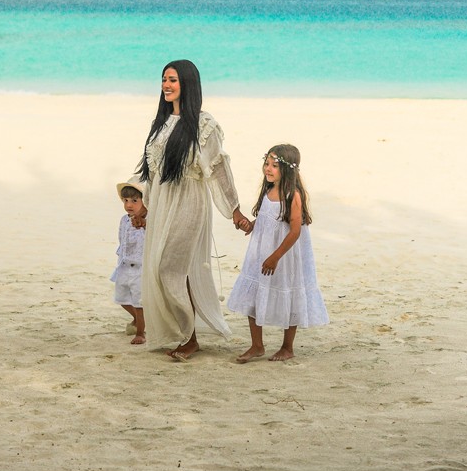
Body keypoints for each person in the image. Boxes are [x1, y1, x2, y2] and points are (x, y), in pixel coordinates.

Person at [135, 59, 250, 361]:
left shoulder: (203, 124)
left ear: (187, 84)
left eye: (173, 80)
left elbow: (218, 168)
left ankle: (190, 337)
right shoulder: (160, 123)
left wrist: (234, 209)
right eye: (163, 79)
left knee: (169, 267)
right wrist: (144, 205)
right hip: (162, 200)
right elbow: (154, 168)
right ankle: (185, 333)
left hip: (188, 200)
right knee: (166, 267)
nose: (167, 85)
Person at [228, 144, 329, 363]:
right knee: (254, 294)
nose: (268, 169)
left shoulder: (293, 195)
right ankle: (257, 345)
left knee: (288, 294)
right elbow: (268, 220)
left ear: (288, 169)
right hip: (261, 252)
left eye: (275, 165)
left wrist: (275, 256)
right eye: (267, 164)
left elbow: (294, 231)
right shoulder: (268, 191)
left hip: (284, 256)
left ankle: (287, 346)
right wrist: (251, 225)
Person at [110, 178, 147, 345]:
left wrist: (145, 225)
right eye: (125, 200)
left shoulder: (149, 221)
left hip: (140, 268)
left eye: (134, 200)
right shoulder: (124, 220)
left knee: (139, 303)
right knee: (122, 298)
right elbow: (121, 239)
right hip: (124, 266)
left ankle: (140, 332)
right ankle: (138, 320)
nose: (129, 205)